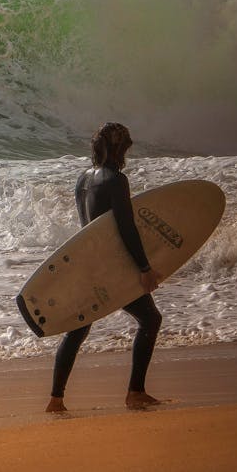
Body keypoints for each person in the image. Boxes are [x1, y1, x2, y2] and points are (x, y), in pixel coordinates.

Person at [46, 122, 164, 413]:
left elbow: (89, 229)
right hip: (111, 267)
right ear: (119, 148)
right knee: (150, 320)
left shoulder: (83, 179)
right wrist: (145, 268)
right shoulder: (116, 180)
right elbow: (126, 228)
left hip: (88, 264)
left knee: (77, 330)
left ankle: (55, 400)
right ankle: (135, 393)